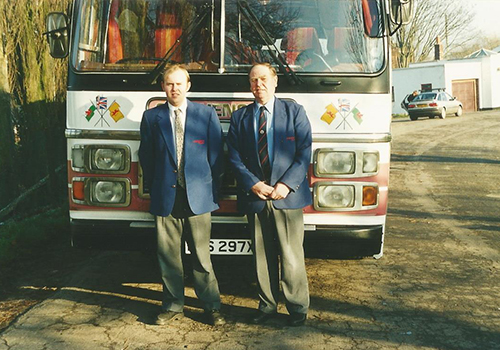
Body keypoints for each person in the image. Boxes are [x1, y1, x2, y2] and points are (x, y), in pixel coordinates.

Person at [139, 64, 225, 326]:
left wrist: (210, 192)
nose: (174, 88)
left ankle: (211, 307)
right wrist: (157, 188)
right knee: (168, 257)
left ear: (188, 86)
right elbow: (147, 157)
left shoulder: (206, 115)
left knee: (202, 258)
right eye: (169, 84)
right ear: (163, 87)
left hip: (198, 199)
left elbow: (217, 158)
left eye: (178, 84)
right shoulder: (152, 118)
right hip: (166, 197)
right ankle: (173, 305)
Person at [227, 63, 312, 327]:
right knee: (261, 255)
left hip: (287, 196)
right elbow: (233, 155)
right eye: (253, 80)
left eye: (263, 79)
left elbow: (304, 151)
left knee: (291, 254)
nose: (258, 85)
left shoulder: (294, 111)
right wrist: (253, 184)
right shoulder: (240, 117)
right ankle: (267, 305)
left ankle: (297, 308)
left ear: (275, 82)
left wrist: (286, 185)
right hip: (256, 196)